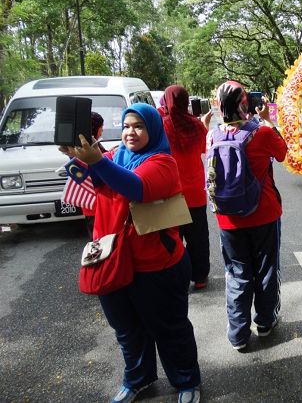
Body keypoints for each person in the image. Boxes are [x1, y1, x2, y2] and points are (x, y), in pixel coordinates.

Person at [66, 104, 201, 403]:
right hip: (113, 258)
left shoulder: (163, 162)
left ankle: (187, 381)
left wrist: (98, 163)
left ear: (152, 128)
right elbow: (95, 182)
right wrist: (77, 158)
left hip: (157, 265)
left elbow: (136, 187)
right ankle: (137, 379)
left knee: (169, 329)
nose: (131, 132)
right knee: (126, 330)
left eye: (139, 126)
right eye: (126, 126)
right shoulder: (116, 155)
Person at [208, 81, 287, 351]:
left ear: (219, 105)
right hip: (263, 213)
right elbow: (282, 153)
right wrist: (267, 120)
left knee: (237, 273)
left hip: (227, 218)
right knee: (266, 270)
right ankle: (265, 321)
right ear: (246, 103)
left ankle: (238, 334)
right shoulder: (261, 133)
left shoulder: (212, 136)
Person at [162, 84, 212, 289]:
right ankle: (199, 277)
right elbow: (204, 148)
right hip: (195, 193)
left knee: (173, 239)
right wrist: (204, 123)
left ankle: (175, 278)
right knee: (198, 238)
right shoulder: (196, 125)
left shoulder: (162, 125)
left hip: (171, 193)